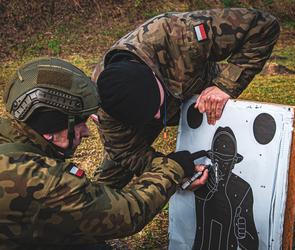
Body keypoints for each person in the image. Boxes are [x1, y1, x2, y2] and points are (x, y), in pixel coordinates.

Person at [0, 57, 208, 250]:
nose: (87, 131)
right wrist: (174, 167)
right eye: (79, 122)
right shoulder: (43, 180)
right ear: (49, 131)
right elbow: (126, 213)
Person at [92, 8, 280, 188]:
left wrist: (225, 85)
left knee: (221, 142)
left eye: (157, 107)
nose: (159, 117)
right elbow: (128, 152)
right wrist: (175, 171)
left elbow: (263, 26)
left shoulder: (180, 34)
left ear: (154, 75)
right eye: (151, 115)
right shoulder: (104, 107)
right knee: (113, 172)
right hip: (135, 119)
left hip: (199, 84)